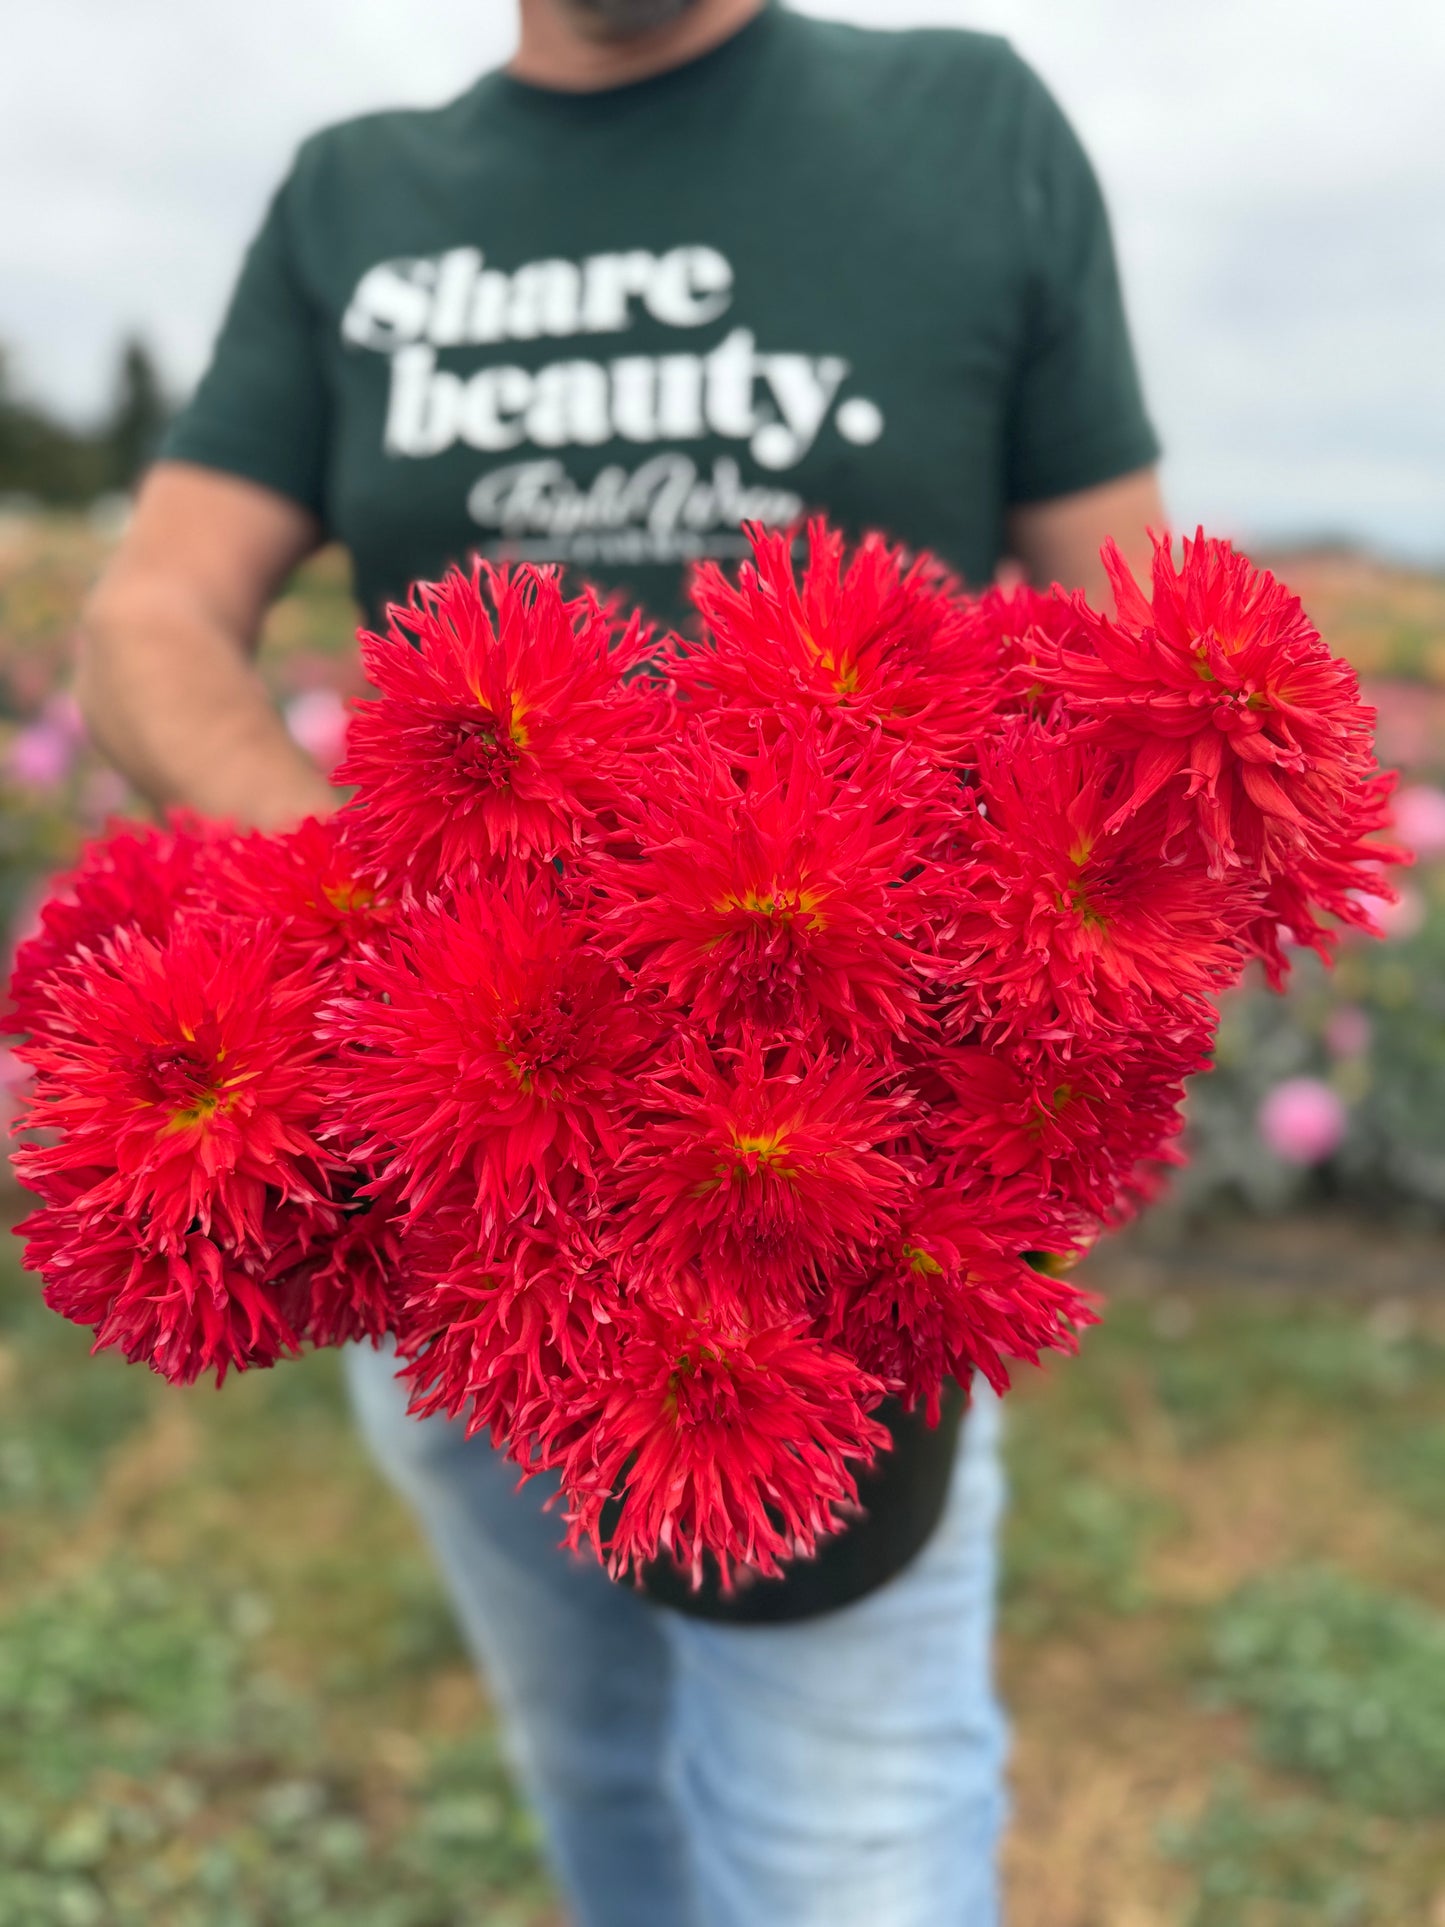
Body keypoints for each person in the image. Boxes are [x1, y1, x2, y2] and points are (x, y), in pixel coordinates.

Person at [76, 2, 1166, 1920]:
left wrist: (1079, 996)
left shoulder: (963, 121)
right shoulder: (357, 194)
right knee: (594, 1765)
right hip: (441, 1200)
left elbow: (1130, 646)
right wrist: (349, 903)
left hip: (823, 1237)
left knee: (844, 1851)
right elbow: (150, 610)